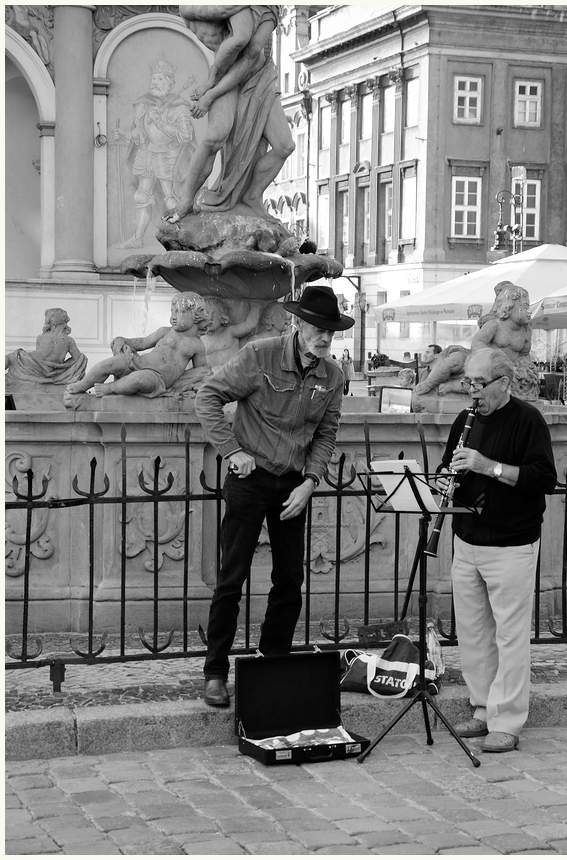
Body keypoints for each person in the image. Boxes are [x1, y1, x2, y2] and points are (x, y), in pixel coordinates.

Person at [194, 284, 355, 706]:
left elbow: (326, 434)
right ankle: (215, 672)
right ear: (299, 324)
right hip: (251, 479)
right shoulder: (260, 356)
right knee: (232, 578)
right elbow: (208, 396)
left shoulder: (333, 376)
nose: (325, 337)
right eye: (318, 328)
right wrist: (232, 452)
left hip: (293, 486)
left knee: (290, 579)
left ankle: (273, 662)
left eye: (331, 331)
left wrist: (311, 481)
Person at [437, 347, 556, 753]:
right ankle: (483, 708)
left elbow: (544, 478)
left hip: (511, 542)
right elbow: (447, 465)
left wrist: (489, 466)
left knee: (509, 635)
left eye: (479, 384)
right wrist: (443, 480)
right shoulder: (464, 419)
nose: (472, 392)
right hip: (467, 537)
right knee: (472, 634)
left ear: (503, 383)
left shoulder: (528, 420)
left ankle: (507, 721)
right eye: (468, 383)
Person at [165, 5, 294, 221]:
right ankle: (186, 201)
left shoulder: (267, 9)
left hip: (257, 76)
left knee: (285, 145)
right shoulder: (191, 7)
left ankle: (252, 197)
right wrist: (212, 88)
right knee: (215, 137)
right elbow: (232, 30)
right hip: (224, 75)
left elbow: (251, 53)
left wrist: (210, 91)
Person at [113, 57, 196, 249]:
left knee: (170, 198)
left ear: (168, 81)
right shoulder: (145, 104)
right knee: (142, 197)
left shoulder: (179, 107)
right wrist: (125, 135)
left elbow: (185, 135)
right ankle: (137, 238)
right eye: (153, 78)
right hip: (148, 154)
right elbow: (141, 134)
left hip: (169, 157)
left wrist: (163, 125)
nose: (154, 82)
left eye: (159, 78)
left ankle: (182, 239)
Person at [64, 292, 210, 401]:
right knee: (109, 364)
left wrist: (186, 385)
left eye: (180, 312)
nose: (173, 316)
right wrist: (124, 340)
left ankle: (110, 388)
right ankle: (82, 385)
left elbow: (200, 372)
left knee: (138, 379)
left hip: (157, 378)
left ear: (196, 315)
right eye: (173, 311)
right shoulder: (165, 331)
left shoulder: (197, 345)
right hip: (138, 361)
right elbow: (143, 343)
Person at [5, 308, 87, 385]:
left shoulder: (41, 337)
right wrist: (63, 367)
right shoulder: (69, 340)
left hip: (31, 364)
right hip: (46, 369)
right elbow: (79, 359)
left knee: (8, 358)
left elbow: (42, 356)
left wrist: (62, 367)